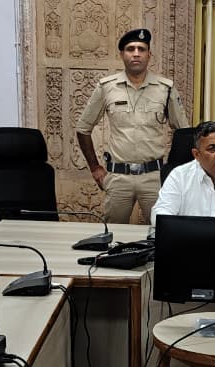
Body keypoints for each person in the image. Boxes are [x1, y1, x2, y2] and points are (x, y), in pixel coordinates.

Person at [76, 28, 188, 224]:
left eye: (141, 49)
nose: (136, 54)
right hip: (118, 177)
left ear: (149, 55)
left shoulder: (165, 88)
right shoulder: (107, 87)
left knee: (162, 229)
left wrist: (174, 171)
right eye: (130, 49)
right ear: (122, 54)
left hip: (154, 178)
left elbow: (184, 133)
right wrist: (94, 167)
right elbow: (83, 128)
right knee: (113, 231)